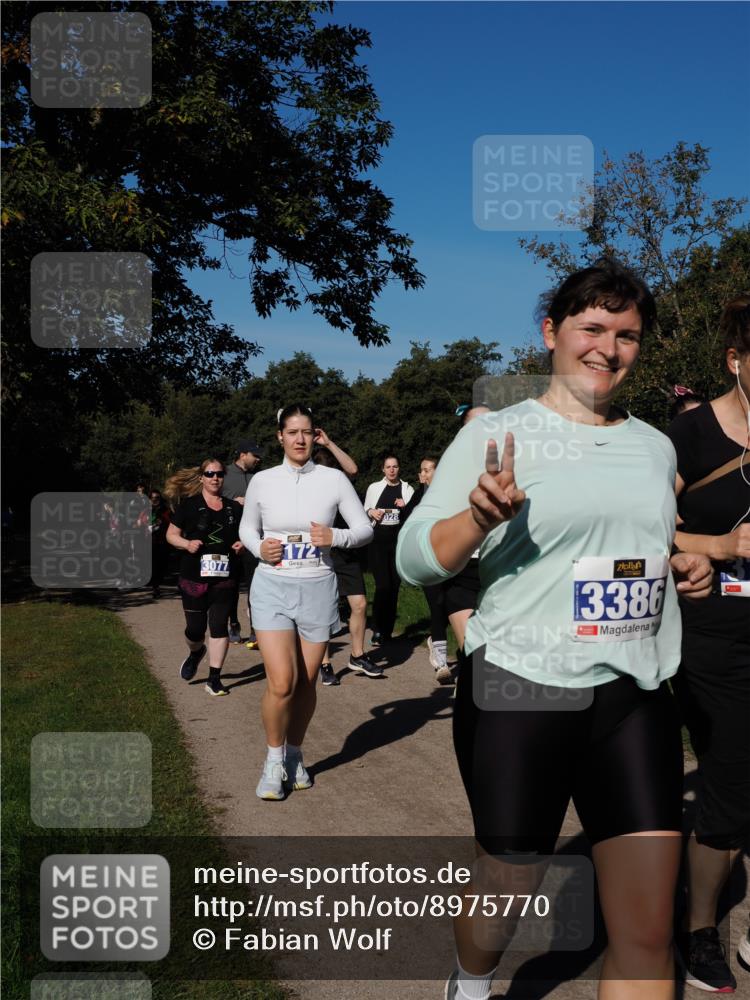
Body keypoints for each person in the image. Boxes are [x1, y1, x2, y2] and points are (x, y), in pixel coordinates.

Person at [397, 259, 713, 1000]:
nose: (608, 347)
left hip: (632, 694)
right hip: (519, 688)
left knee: (644, 932)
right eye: (592, 327)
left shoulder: (654, 446)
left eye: (627, 334)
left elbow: (633, 551)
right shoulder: (497, 435)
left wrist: (680, 569)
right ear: (552, 332)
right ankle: (471, 982)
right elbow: (414, 559)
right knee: (508, 885)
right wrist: (478, 516)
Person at [667, 294, 750, 993]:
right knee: (729, 776)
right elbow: (640, 529)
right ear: (736, 361)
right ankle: (699, 931)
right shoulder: (690, 435)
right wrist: (718, 544)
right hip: (711, 633)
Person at [240, 404, 373, 800]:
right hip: (272, 587)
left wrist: (337, 537)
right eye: (292, 432)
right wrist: (258, 548)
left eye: (306, 432)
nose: (299, 439)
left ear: (316, 436)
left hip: (317, 587)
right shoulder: (263, 480)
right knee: (282, 682)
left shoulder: (333, 480)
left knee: (306, 683)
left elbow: (364, 527)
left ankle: (295, 753)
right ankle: (273, 760)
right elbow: (247, 526)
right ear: (280, 436)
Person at [165, 459, 243, 697]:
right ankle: (196, 652)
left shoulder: (234, 508)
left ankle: (214, 678)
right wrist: (186, 543)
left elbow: (249, 534)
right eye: (210, 474)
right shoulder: (189, 506)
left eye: (219, 474)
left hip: (224, 577)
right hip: (194, 577)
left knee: (219, 626)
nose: (215, 478)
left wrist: (243, 544)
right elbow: (171, 535)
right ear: (202, 477)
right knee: (195, 630)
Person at [314, 443, 384, 683]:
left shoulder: (341, 484)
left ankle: (357, 655)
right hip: (320, 553)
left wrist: (328, 442)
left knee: (360, 604)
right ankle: (324, 663)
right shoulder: (309, 488)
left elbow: (352, 469)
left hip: (347, 551)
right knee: (324, 609)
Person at [443, 404, 492, 683]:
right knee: (477, 658)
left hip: (501, 572)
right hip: (463, 573)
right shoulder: (449, 474)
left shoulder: (520, 468)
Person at [401, 456, 452, 683]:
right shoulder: (419, 499)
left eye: (430, 469)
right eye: (423, 470)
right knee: (437, 604)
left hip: (451, 559)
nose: (427, 473)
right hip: (427, 560)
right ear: (420, 476)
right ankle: (441, 662)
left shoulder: (452, 495)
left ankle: (435, 640)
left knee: (452, 605)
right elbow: (405, 520)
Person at [363, 455, 414, 645]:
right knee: (382, 585)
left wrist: (405, 506)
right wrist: (371, 512)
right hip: (378, 543)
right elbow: (364, 508)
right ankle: (376, 629)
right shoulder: (374, 488)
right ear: (383, 470)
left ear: (399, 469)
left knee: (394, 587)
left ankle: (387, 631)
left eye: (395, 466)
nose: (392, 470)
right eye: (388, 467)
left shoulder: (407, 489)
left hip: (398, 544)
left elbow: (414, 515)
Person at [221, 440, 264, 645]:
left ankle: (256, 628)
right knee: (231, 586)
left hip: (253, 539)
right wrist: (234, 501)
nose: (258, 459)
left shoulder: (258, 478)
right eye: (255, 455)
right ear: (243, 454)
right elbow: (211, 499)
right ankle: (234, 624)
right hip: (229, 539)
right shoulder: (224, 474)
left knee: (255, 586)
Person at [147, 489, 171, 598]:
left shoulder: (166, 510)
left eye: (157, 498)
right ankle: (155, 586)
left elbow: (172, 522)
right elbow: (138, 523)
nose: (155, 500)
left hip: (163, 541)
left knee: (161, 564)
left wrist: (162, 522)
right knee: (152, 564)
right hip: (148, 541)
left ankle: (157, 585)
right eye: (152, 498)